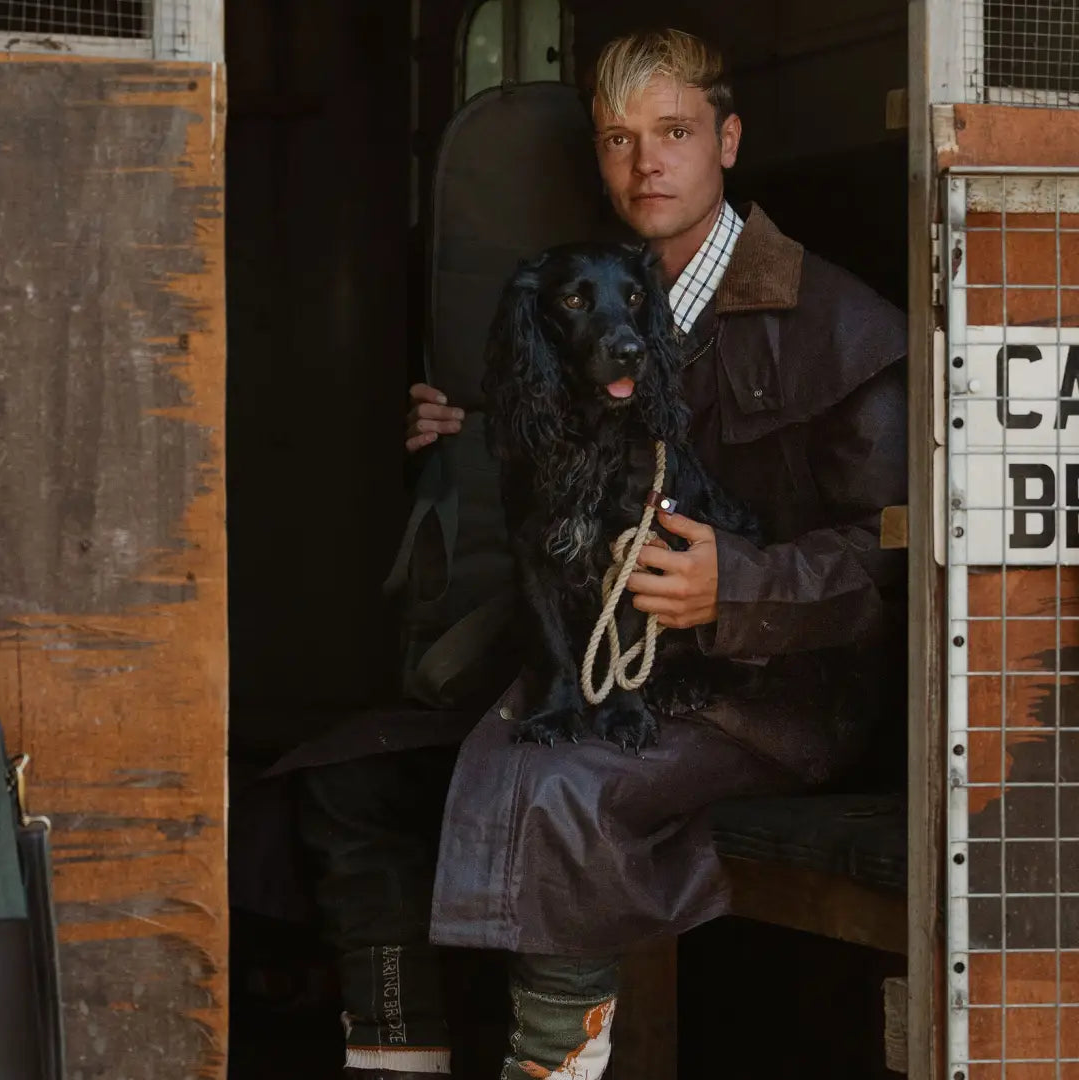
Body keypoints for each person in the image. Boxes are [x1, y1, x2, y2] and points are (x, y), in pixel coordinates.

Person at [314, 27, 907, 1080]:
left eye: (674, 132)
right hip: (591, 660)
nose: (647, 165)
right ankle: (395, 1057)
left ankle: (554, 1070)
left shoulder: (842, 324)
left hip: (767, 693)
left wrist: (743, 585)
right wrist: (462, 439)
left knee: (554, 784)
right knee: (356, 775)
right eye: (618, 139)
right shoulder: (586, 294)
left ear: (727, 138)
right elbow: (560, 479)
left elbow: (895, 559)